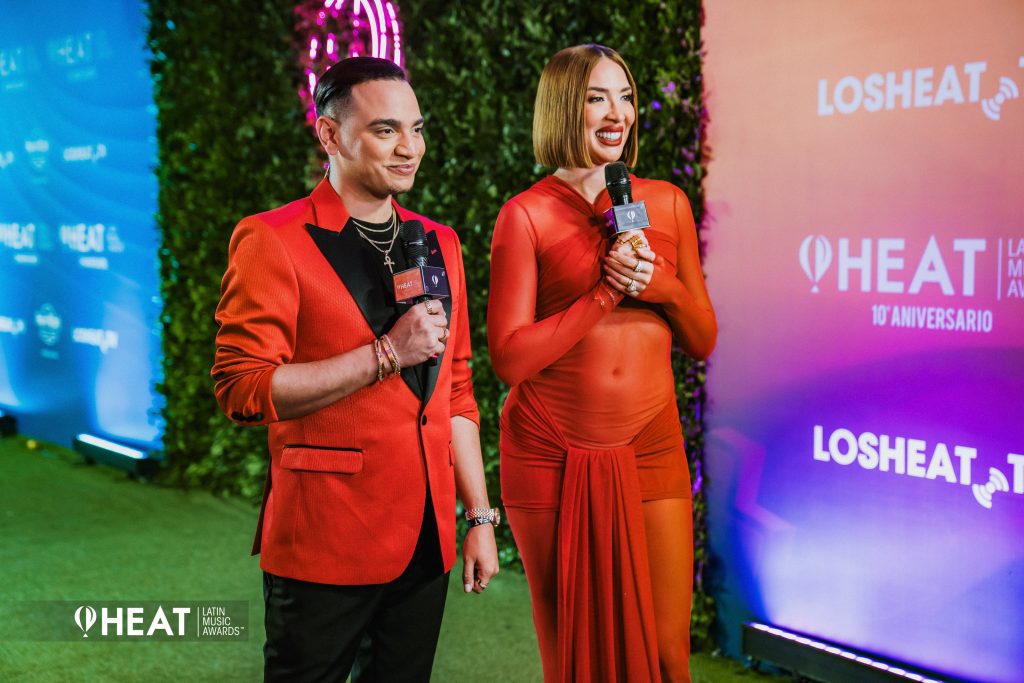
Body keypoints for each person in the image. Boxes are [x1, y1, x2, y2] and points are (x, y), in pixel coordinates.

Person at [212, 56, 499, 682]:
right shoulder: (272, 239)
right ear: (330, 135)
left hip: (427, 538)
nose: (409, 148)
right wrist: (386, 354)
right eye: (386, 130)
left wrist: (477, 518)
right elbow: (243, 388)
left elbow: (455, 393)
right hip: (325, 539)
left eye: (417, 129)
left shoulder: (440, 241)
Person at [487, 44, 717, 683]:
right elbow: (509, 357)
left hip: (651, 442)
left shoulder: (665, 202)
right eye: (596, 97)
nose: (617, 113)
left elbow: (702, 338)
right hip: (551, 451)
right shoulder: (525, 215)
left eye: (625, 97)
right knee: (571, 655)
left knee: (670, 653)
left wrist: (660, 285)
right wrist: (605, 293)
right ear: (564, 107)